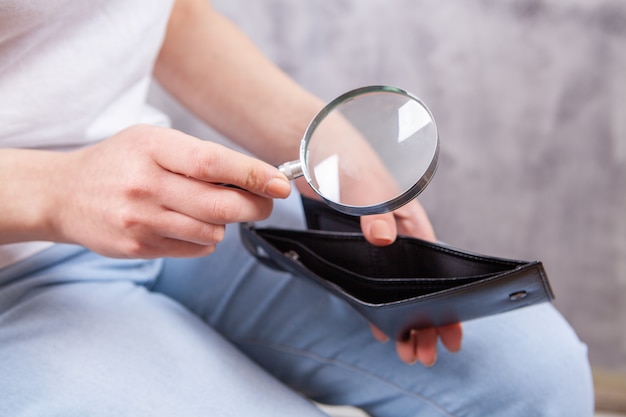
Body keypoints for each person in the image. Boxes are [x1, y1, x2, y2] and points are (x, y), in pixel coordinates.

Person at [0, 0, 594, 415]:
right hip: (16, 266)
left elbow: (173, 13)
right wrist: (59, 189)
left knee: (534, 377)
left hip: (160, 204)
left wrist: (325, 143)